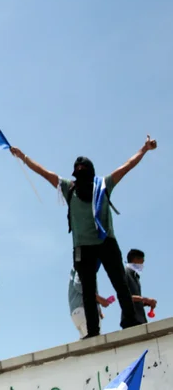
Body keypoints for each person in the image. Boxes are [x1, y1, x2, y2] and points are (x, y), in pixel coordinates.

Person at [10, 136, 158, 338]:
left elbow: (127, 166)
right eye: (78, 172)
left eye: (84, 172)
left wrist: (144, 149)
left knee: (119, 283)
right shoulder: (69, 188)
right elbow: (44, 173)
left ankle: (130, 321)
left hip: (106, 241)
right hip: (83, 248)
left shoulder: (104, 185)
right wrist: (23, 157)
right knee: (88, 291)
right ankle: (93, 332)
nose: (81, 176)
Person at [69, 267, 112, 339]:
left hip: (77, 312)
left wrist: (98, 309)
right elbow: (78, 285)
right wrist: (99, 299)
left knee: (87, 344)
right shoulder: (84, 263)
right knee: (95, 341)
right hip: (84, 311)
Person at [125, 248, 157, 325]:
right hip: (131, 319)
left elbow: (133, 300)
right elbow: (125, 297)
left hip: (140, 319)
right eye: (141, 262)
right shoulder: (125, 273)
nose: (142, 265)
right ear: (135, 260)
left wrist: (146, 303)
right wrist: (145, 299)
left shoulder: (135, 276)